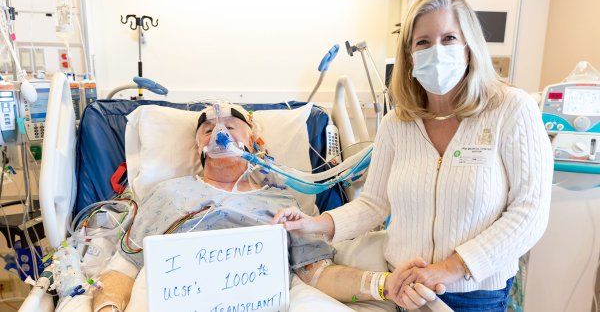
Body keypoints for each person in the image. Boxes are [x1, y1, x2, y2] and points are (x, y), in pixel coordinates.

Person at [272, 0, 553, 312]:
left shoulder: (511, 109)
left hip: (474, 293)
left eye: (449, 38)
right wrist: (312, 224)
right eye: (423, 42)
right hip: (405, 289)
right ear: (409, 54)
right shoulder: (398, 123)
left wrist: (451, 267)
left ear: (470, 46)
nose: (436, 50)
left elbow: (530, 212)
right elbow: (373, 204)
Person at [91, 103, 440, 312]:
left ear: (253, 141)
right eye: (208, 129)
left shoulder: (280, 201)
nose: (219, 134)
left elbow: (316, 274)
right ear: (198, 145)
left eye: (230, 126)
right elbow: (124, 267)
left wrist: (384, 284)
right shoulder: (169, 194)